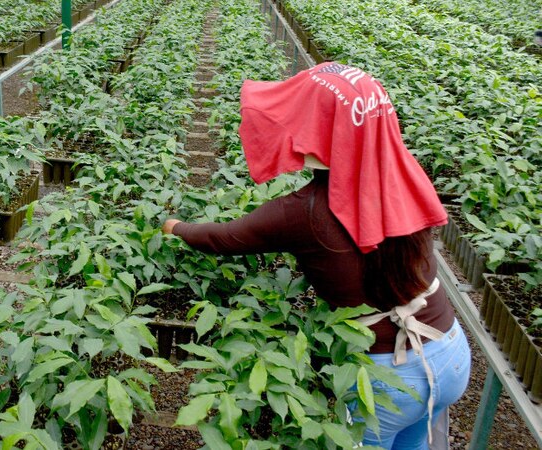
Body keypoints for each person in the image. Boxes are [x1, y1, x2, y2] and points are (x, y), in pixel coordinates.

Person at [162, 62, 471, 449]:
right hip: (451, 351)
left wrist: (175, 227)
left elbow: (224, 238)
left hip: (388, 377)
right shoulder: (401, 171)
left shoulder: (305, 213)